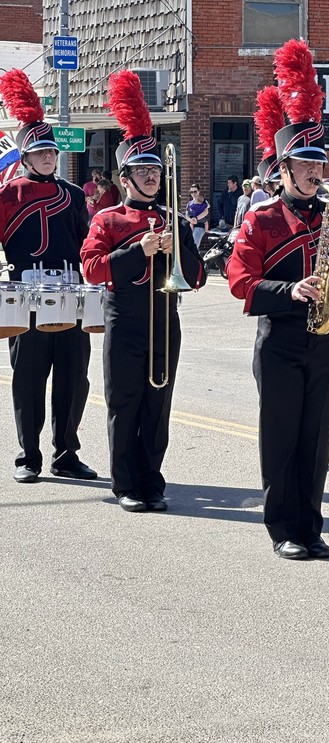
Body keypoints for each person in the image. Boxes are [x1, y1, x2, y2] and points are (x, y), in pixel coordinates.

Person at [227, 40, 329, 560]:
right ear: (286, 167)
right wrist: (289, 290)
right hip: (281, 339)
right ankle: (283, 528)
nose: (318, 172)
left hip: (327, 337)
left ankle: (311, 526)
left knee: (317, 439)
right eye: (307, 164)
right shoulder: (262, 217)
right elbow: (240, 282)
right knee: (282, 439)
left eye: (321, 162)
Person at [81, 70, 206, 512]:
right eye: (143, 171)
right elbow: (92, 269)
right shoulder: (107, 219)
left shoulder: (175, 217)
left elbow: (196, 279)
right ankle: (126, 484)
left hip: (165, 322)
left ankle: (152, 480)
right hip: (126, 321)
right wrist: (139, 249)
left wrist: (180, 248)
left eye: (155, 170)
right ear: (126, 175)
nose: (152, 177)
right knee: (125, 404)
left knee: (158, 407)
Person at [0, 69, 96, 482]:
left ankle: (66, 452)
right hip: (24, 296)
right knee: (28, 379)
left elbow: (87, 244)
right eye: (41, 153)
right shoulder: (5, 195)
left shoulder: (73, 194)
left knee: (74, 379)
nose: (49, 158)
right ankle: (28, 455)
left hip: (70, 295)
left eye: (52, 153)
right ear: (25, 158)